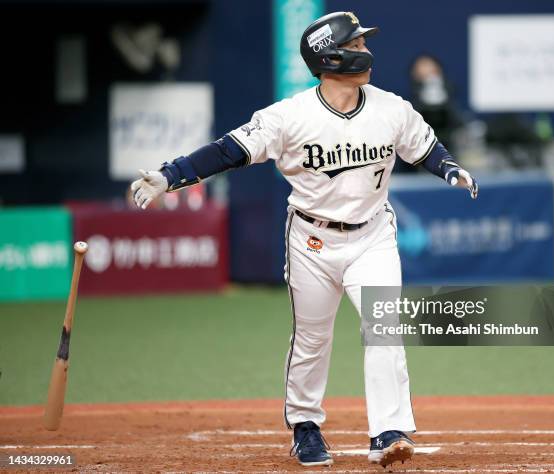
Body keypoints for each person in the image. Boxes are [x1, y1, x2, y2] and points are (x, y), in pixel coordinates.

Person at [131, 11, 478, 468]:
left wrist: (450, 169)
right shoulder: (290, 116)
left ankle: (388, 431)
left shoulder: (390, 107)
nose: (364, 51)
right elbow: (228, 150)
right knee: (312, 339)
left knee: (385, 330)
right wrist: (170, 176)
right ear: (329, 56)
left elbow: (426, 146)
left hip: (373, 235)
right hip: (312, 240)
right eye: (354, 46)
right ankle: (306, 426)